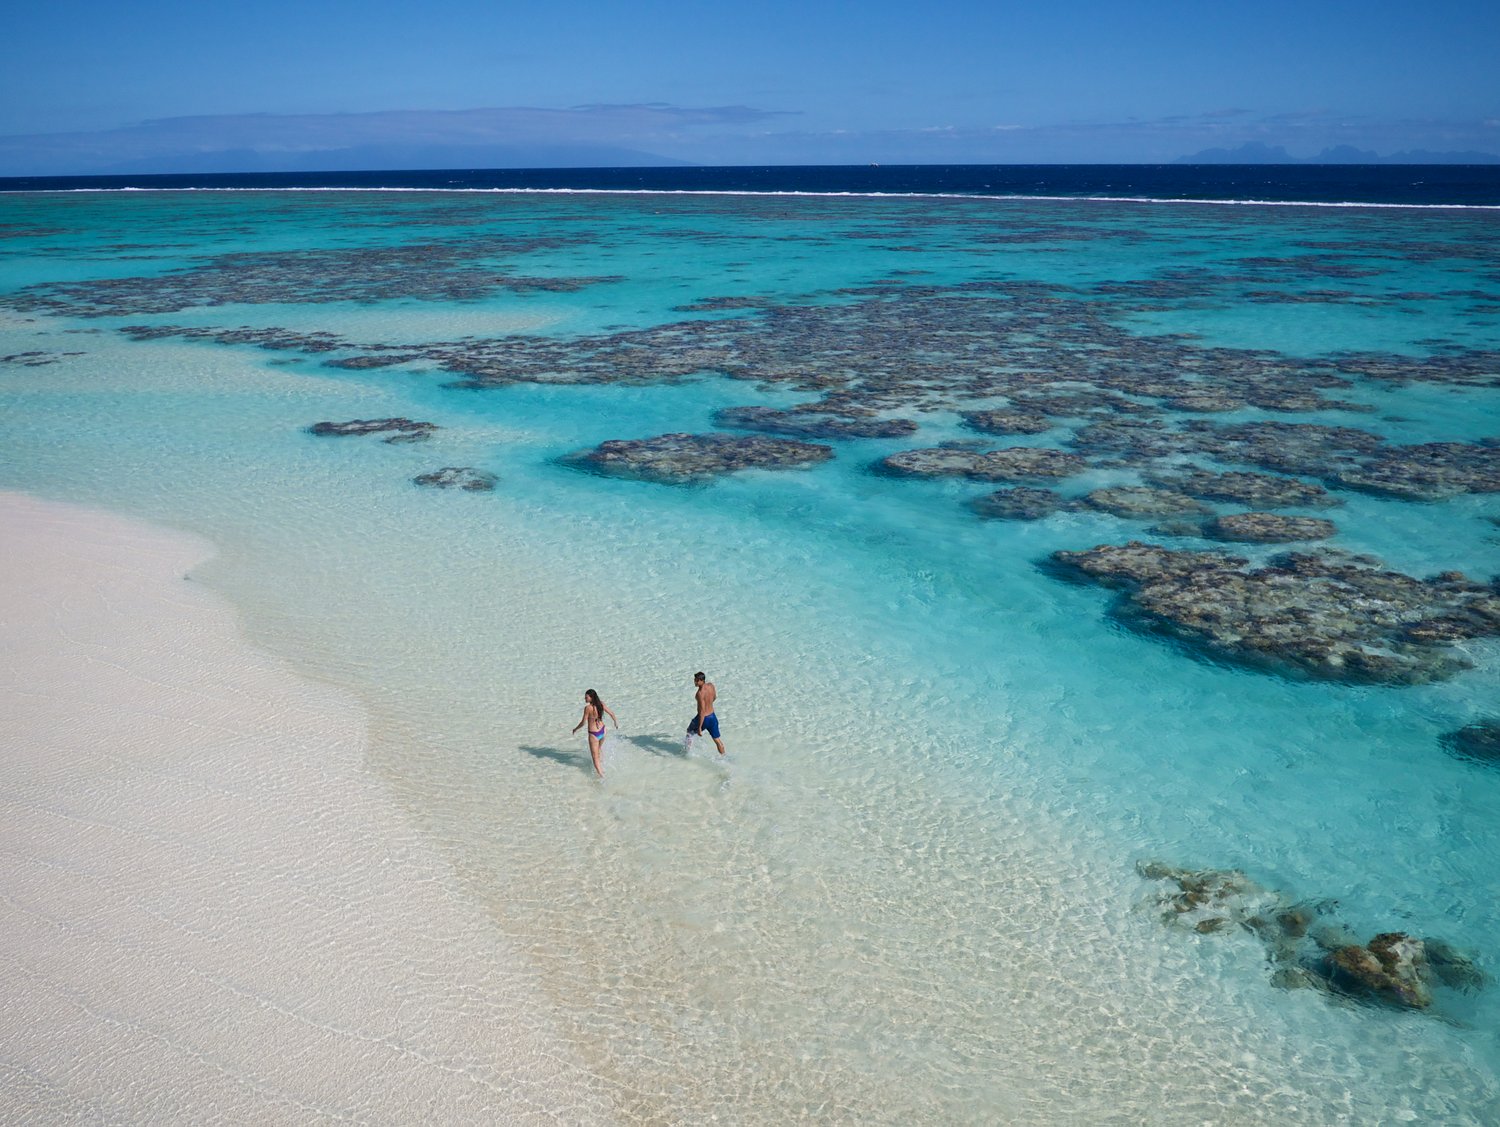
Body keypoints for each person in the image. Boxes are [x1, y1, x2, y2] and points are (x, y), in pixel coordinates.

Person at [572, 688, 618, 777]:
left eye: (586, 697)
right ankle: (603, 765)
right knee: (599, 749)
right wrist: (615, 722)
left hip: (594, 734)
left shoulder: (587, 708)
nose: (585, 699)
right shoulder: (601, 704)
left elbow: (583, 723)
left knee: (595, 757)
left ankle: (602, 776)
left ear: (591, 697)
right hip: (603, 731)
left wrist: (575, 729)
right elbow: (611, 713)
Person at [687, 671, 725, 755]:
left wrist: (700, 727)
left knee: (689, 732)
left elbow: (702, 711)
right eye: (694, 680)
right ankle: (724, 757)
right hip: (712, 717)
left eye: (696, 680)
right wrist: (709, 704)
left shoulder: (699, 694)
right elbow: (714, 697)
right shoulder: (711, 686)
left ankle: (687, 753)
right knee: (717, 740)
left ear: (701, 680)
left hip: (704, 719)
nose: (695, 682)